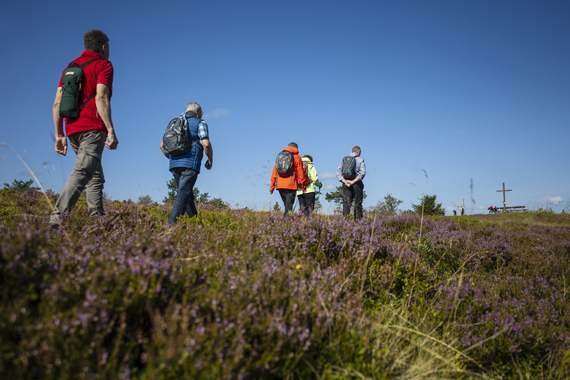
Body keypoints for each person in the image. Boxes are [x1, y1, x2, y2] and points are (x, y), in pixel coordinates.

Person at [50, 29, 119, 228]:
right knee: (81, 173)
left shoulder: (69, 68)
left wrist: (59, 135)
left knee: (95, 176)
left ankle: (97, 222)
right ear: (104, 47)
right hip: (93, 129)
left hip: (72, 130)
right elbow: (101, 97)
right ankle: (55, 221)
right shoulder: (103, 65)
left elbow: (57, 103)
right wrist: (111, 130)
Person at [160, 102, 213, 223]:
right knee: (183, 195)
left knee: (187, 195)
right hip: (190, 165)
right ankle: (170, 227)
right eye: (201, 112)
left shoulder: (174, 123)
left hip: (174, 165)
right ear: (197, 111)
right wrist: (210, 159)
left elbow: (162, 146)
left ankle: (194, 223)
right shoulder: (201, 123)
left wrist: (173, 159)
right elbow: (206, 144)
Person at [269, 143, 307, 216]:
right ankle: (286, 223)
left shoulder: (280, 156)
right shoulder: (297, 157)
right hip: (291, 185)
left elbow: (274, 173)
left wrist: (272, 187)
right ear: (296, 149)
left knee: (286, 206)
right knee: (289, 207)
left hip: (280, 185)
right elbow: (300, 173)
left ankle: (285, 222)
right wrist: (303, 187)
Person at [336, 146, 366, 219]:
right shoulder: (360, 160)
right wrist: (352, 182)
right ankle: (358, 222)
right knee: (357, 203)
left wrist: (344, 181)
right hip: (356, 184)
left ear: (352, 151)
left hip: (346, 184)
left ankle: (346, 222)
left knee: (346, 203)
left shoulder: (344, 159)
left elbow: (338, 173)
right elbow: (362, 173)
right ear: (358, 152)